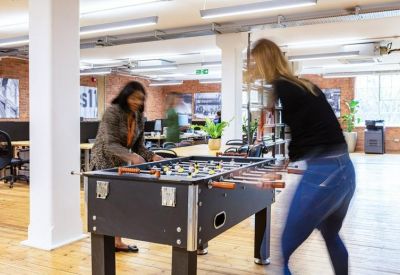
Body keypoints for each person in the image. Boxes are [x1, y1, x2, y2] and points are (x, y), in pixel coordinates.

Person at [251, 38, 356, 275]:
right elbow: (317, 131)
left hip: (323, 176)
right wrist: (285, 163)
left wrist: (278, 168)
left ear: (262, 61)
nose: (252, 68)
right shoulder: (306, 85)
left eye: (253, 62)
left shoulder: (283, 88)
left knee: (281, 256)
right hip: (346, 173)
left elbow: (301, 137)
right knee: (330, 235)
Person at [90, 81, 163, 252]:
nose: (137, 102)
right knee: (107, 203)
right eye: (134, 98)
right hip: (103, 161)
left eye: (141, 99)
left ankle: (116, 241)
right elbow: (110, 144)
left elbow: (139, 146)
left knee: (119, 202)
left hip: (121, 163)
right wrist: (132, 157)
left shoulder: (138, 116)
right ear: (125, 96)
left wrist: (152, 156)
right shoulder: (112, 113)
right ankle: (104, 242)